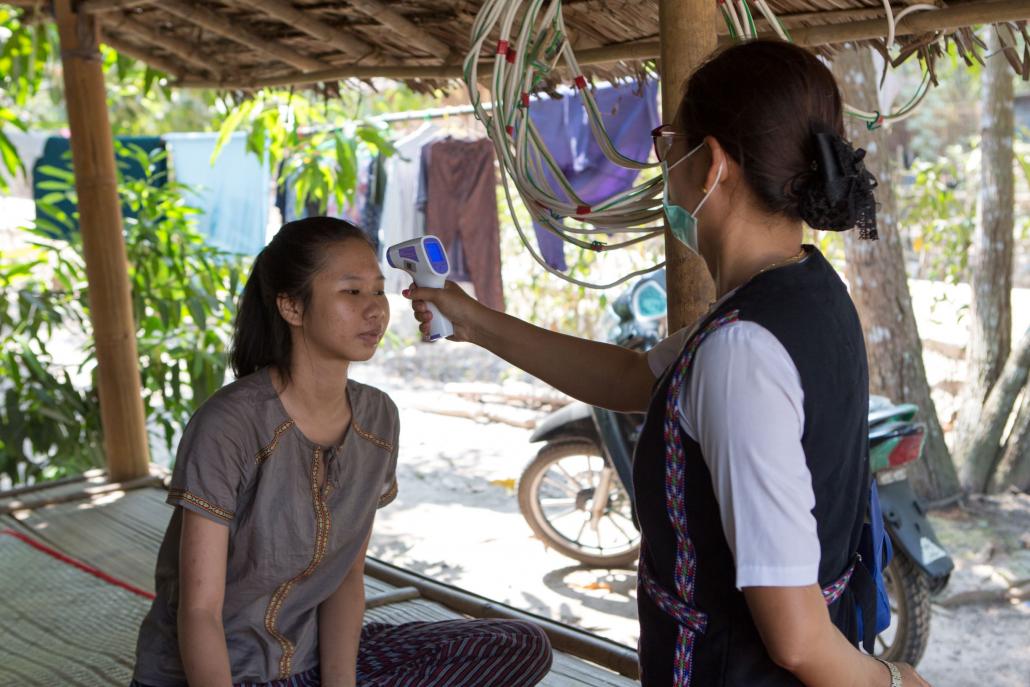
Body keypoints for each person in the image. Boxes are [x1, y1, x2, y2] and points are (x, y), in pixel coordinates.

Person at [407, 41, 933, 687]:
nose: (664, 169)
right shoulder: (807, 292)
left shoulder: (742, 351)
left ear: (709, 164)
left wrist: (896, 680)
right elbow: (633, 378)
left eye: (668, 145)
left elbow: (796, 637)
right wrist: (474, 320)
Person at [131, 217, 552, 687]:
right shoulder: (231, 424)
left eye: (378, 291)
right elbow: (199, 610)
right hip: (221, 672)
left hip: (308, 661)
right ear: (291, 307)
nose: (374, 310)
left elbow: (346, 577)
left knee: (517, 646)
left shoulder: (377, 418)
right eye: (351, 293)